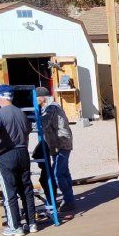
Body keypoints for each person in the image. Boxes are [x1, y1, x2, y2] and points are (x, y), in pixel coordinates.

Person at [0, 85, 35, 236]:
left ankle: (15, 226)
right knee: (26, 190)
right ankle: (32, 223)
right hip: (23, 152)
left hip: (6, 154)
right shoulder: (21, 112)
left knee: (10, 193)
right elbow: (28, 131)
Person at [34, 86, 76, 218]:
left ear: (41, 97)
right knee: (64, 172)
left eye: (36, 98)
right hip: (58, 144)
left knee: (58, 173)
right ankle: (69, 199)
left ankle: (68, 201)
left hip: (61, 144)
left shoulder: (51, 108)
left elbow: (42, 124)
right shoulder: (51, 106)